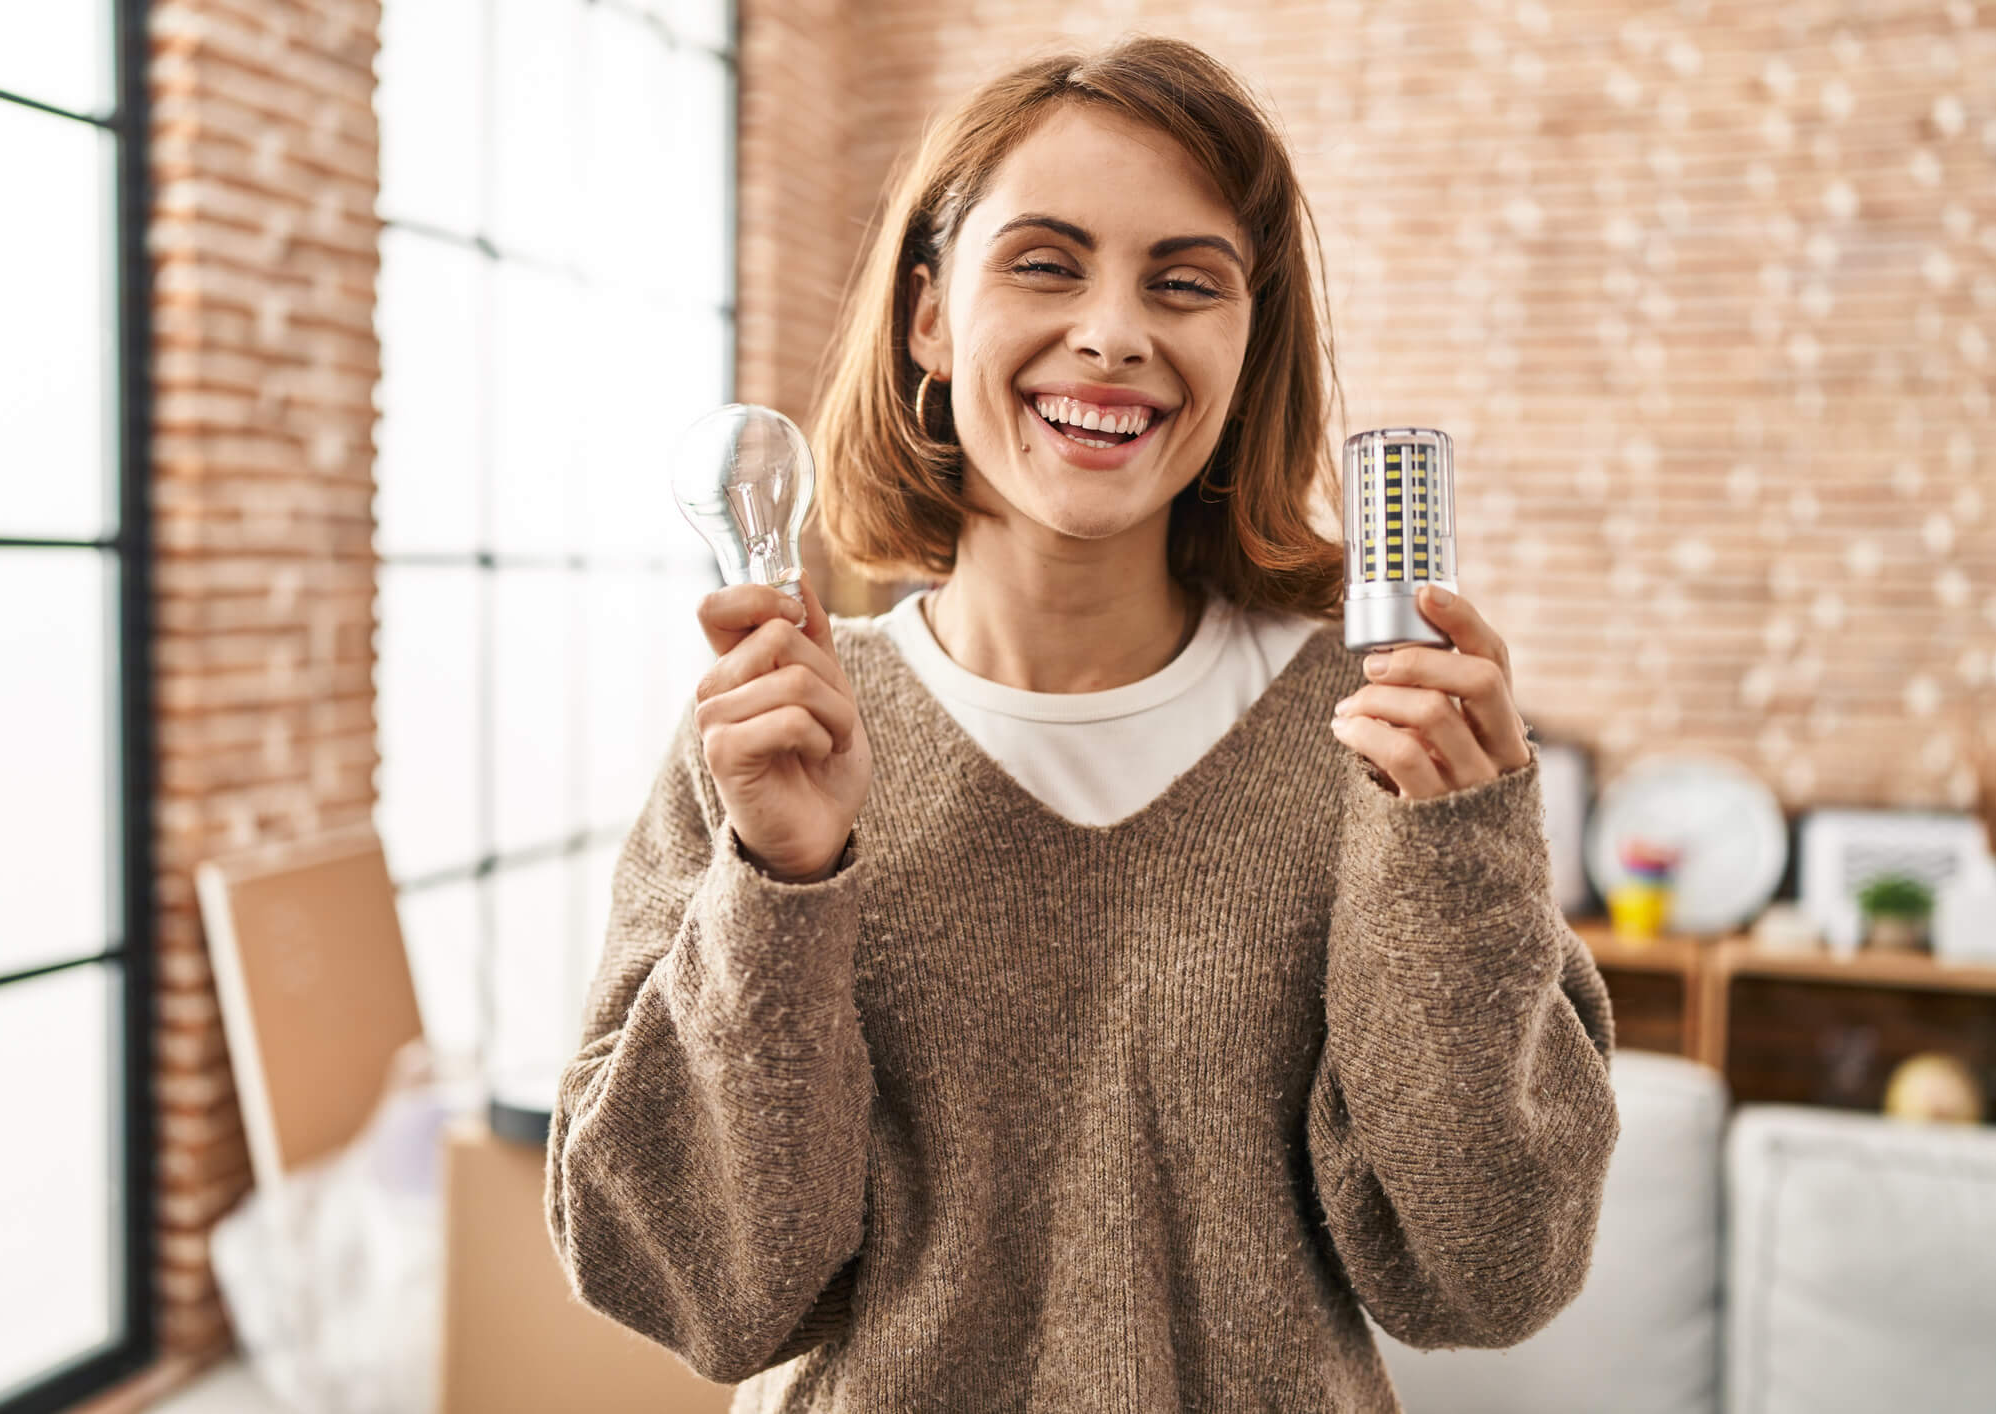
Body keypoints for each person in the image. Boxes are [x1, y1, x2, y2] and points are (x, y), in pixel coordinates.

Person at [544, 34, 1618, 1413]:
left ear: (1247, 347)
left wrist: (1454, 861)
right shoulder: (773, 737)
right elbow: (691, 1288)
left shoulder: (1375, 741)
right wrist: (781, 884)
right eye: (1046, 264)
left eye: (1186, 281)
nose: (1113, 332)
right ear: (929, 318)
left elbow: (1489, 1274)